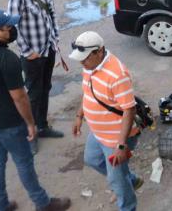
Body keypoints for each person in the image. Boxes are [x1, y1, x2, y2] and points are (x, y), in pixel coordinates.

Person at [0, 10, 71, 211]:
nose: (13, 30)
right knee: (24, 162)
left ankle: (1, 205)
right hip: (9, 122)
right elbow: (20, 97)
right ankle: (43, 203)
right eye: (9, 28)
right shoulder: (7, 58)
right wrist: (31, 124)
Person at [70, 31, 143, 211]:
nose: (82, 62)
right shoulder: (89, 67)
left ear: (99, 51)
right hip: (98, 133)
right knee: (92, 159)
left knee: (116, 180)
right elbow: (88, 92)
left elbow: (129, 109)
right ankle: (131, 181)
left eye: (85, 58)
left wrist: (120, 145)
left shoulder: (117, 74)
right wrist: (80, 115)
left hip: (115, 137)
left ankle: (128, 205)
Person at [7, 0, 64, 154]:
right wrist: (27, 50)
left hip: (48, 49)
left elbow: (52, 15)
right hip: (32, 54)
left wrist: (55, 39)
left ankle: (42, 126)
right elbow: (12, 27)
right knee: (32, 93)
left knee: (45, 88)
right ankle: (29, 134)